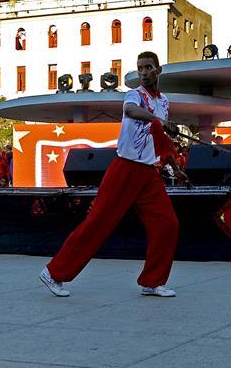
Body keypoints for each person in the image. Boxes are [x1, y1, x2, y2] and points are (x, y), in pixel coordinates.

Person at [39, 51, 186, 298]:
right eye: (140, 68)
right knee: (98, 222)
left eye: (149, 67)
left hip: (148, 174)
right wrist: (156, 119)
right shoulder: (134, 95)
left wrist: (174, 163)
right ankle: (54, 273)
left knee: (167, 224)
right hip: (125, 169)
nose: (144, 72)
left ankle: (152, 281)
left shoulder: (164, 102)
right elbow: (131, 112)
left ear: (158, 70)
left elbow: (159, 139)